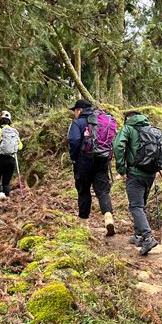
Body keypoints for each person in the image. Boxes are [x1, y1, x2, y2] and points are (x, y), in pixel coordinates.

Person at [113, 110, 162, 256]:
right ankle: (139, 236)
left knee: (136, 206)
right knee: (141, 205)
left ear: (128, 118)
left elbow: (117, 146)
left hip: (135, 173)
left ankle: (148, 237)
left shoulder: (128, 128)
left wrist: (121, 168)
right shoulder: (153, 130)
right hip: (150, 174)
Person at [67, 99, 116, 235]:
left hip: (83, 160)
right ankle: (108, 217)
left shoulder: (77, 123)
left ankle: (84, 223)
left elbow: (74, 140)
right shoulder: (103, 120)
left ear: (79, 110)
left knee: (83, 190)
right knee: (103, 191)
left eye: (75, 110)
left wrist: (74, 157)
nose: (75, 113)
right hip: (102, 159)